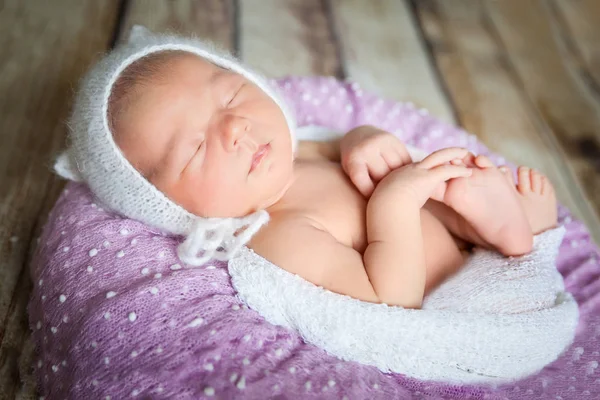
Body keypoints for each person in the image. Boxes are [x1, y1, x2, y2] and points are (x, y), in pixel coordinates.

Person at [104, 48, 557, 310]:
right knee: (405, 188)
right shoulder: (277, 236)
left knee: (422, 180)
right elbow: (389, 299)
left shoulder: (300, 148)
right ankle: (518, 240)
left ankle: (489, 224)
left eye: (232, 95)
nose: (234, 127)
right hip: (443, 287)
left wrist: (361, 139)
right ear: (171, 208)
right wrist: (392, 207)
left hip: (444, 222)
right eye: (197, 148)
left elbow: (337, 141)